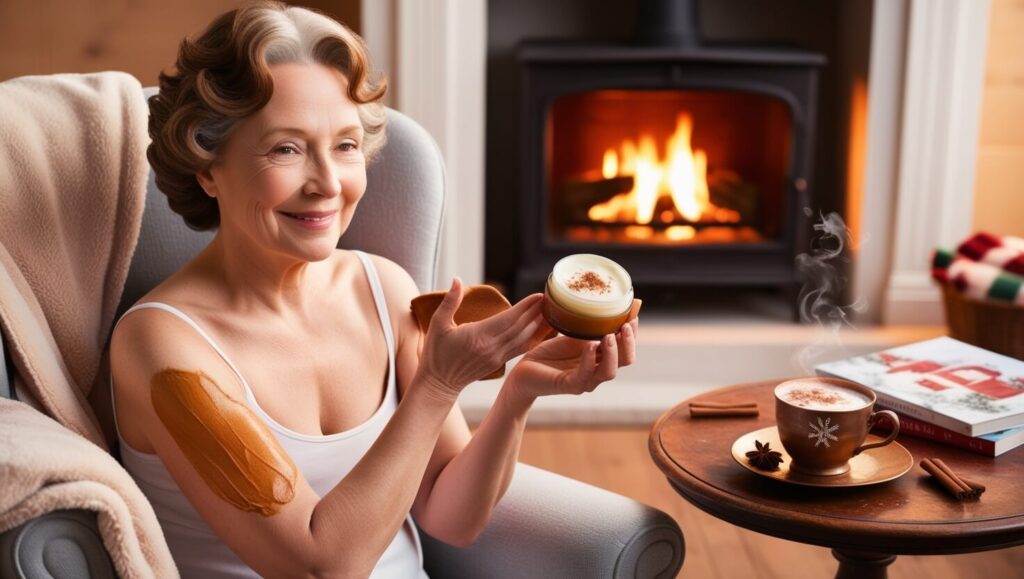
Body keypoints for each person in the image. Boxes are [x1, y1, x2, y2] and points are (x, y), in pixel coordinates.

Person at [109, 2, 638, 577]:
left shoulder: (382, 290)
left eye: (345, 145)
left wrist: (519, 394)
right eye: (286, 148)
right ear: (208, 165)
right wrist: (436, 386)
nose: (328, 184)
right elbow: (319, 567)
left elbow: (449, 517)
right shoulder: (161, 347)